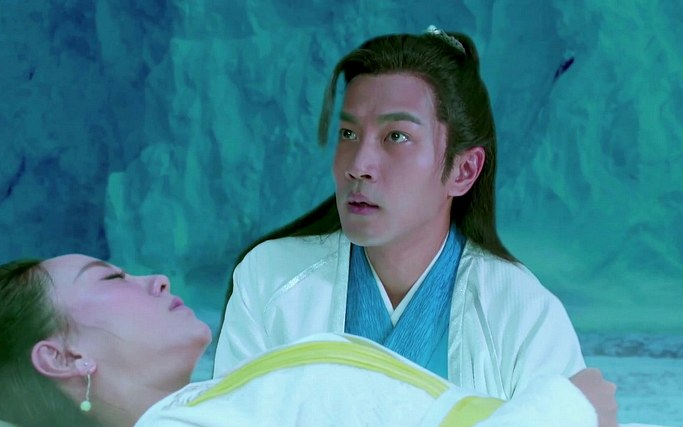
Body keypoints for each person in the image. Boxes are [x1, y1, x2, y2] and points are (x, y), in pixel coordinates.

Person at [0, 253, 683, 427]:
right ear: (62, 354)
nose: (154, 278)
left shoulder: (205, 415)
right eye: (109, 278)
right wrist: (561, 411)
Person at [214, 27, 585, 399]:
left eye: (396, 136)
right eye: (348, 134)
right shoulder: (270, 280)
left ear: (463, 170)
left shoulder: (523, 315)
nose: (359, 166)